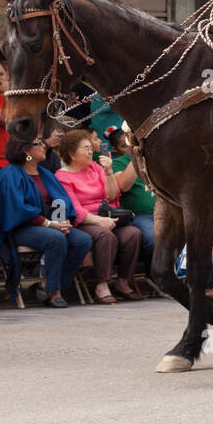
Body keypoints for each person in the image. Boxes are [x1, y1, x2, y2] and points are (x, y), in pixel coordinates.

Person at [0, 135, 93, 308]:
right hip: (20, 227)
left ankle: (46, 283)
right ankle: (54, 292)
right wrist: (50, 224)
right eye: (38, 143)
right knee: (55, 239)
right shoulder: (9, 175)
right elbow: (17, 209)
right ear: (25, 150)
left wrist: (64, 220)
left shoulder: (44, 173)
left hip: (51, 225)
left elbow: (62, 200)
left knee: (83, 240)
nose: (44, 146)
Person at [54, 130, 142, 303]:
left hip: (107, 214)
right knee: (105, 236)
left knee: (133, 234)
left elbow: (112, 196)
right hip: (86, 220)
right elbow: (75, 209)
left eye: (90, 148)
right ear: (72, 154)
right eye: (85, 148)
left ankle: (123, 281)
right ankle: (101, 284)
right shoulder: (62, 176)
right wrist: (100, 221)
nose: (90, 152)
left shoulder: (95, 167)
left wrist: (108, 172)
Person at [106, 126, 155, 266]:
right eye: (125, 145)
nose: (129, 147)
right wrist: (136, 156)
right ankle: (156, 276)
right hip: (140, 216)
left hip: (164, 213)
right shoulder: (117, 163)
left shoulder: (153, 158)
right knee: (153, 239)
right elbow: (123, 185)